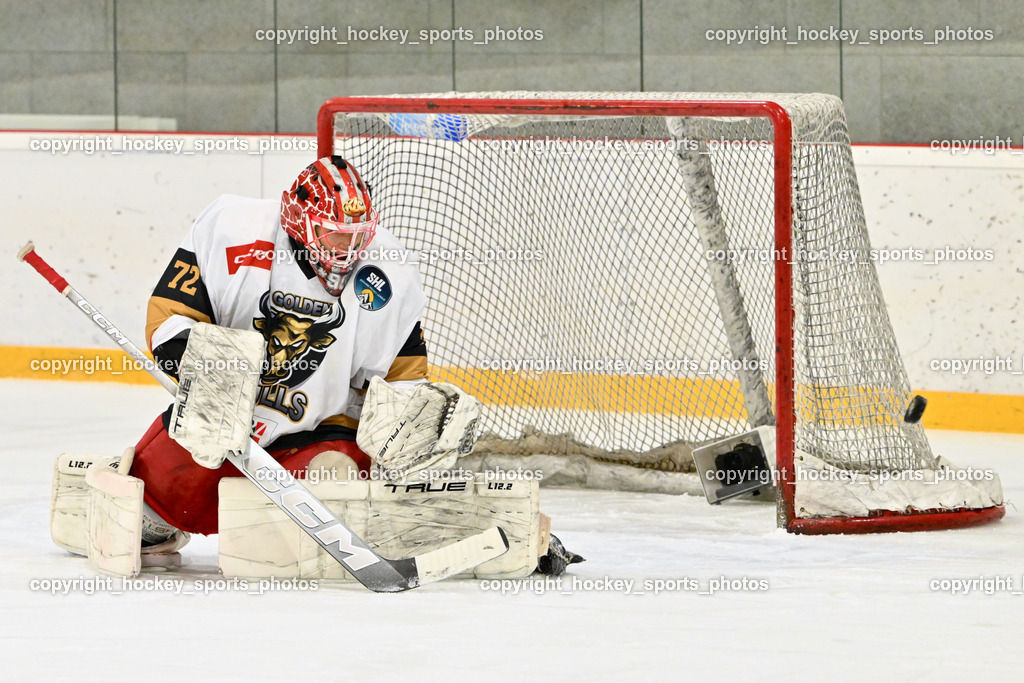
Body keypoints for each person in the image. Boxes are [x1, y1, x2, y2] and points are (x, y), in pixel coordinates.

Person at [129, 156, 429, 549]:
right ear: (297, 218)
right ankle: (161, 511)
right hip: (222, 423)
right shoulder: (231, 231)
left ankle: (285, 534)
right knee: (148, 506)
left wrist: (409, 428)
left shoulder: (391, 273)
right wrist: (208, 374)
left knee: (334, 475)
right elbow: (170, 319)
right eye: (334, 234)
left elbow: (404, 374)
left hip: (316, 433)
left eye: (358, 236)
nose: (348, 249)